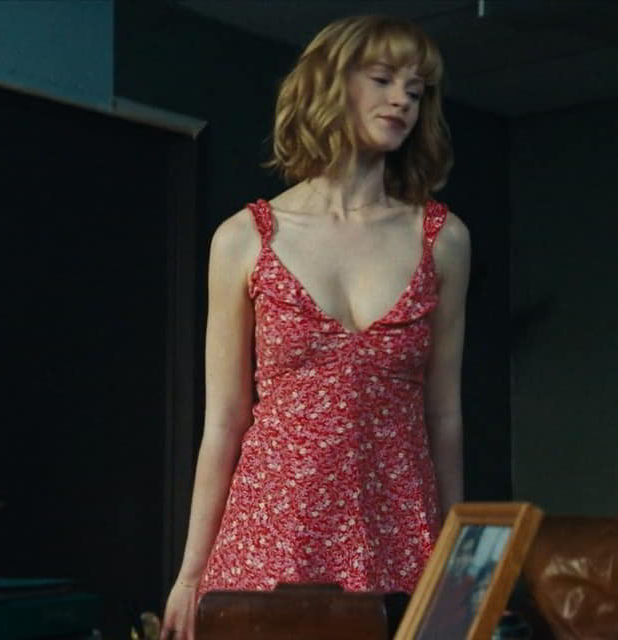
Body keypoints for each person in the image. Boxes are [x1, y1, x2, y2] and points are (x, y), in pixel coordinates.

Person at [161, 14, 469, 640]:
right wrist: (191, 575)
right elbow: (223, 423)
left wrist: (462, 569)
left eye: (416, 90)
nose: (402, 100)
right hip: (270, 538)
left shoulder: (443, 238)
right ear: (330, 85)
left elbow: (445, 418)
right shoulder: (244, 238)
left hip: (400, 539)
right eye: (382, 79)